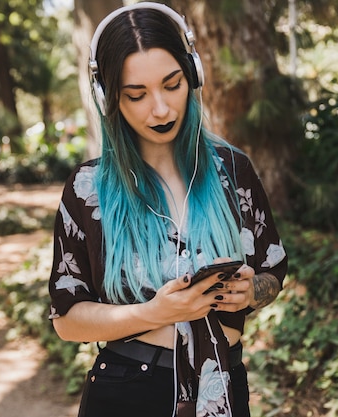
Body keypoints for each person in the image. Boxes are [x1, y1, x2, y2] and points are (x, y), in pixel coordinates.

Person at [48, 2, 287, 417]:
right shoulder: (88, 189)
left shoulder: (233, 170)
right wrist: (153, 313)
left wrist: (252, 291)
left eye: (172, 84)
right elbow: (67, 320)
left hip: (225, 390)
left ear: (193, 75)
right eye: (136, 95)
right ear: (109, 99)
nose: (160, 109)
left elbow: (272, 271)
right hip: (128, 391)